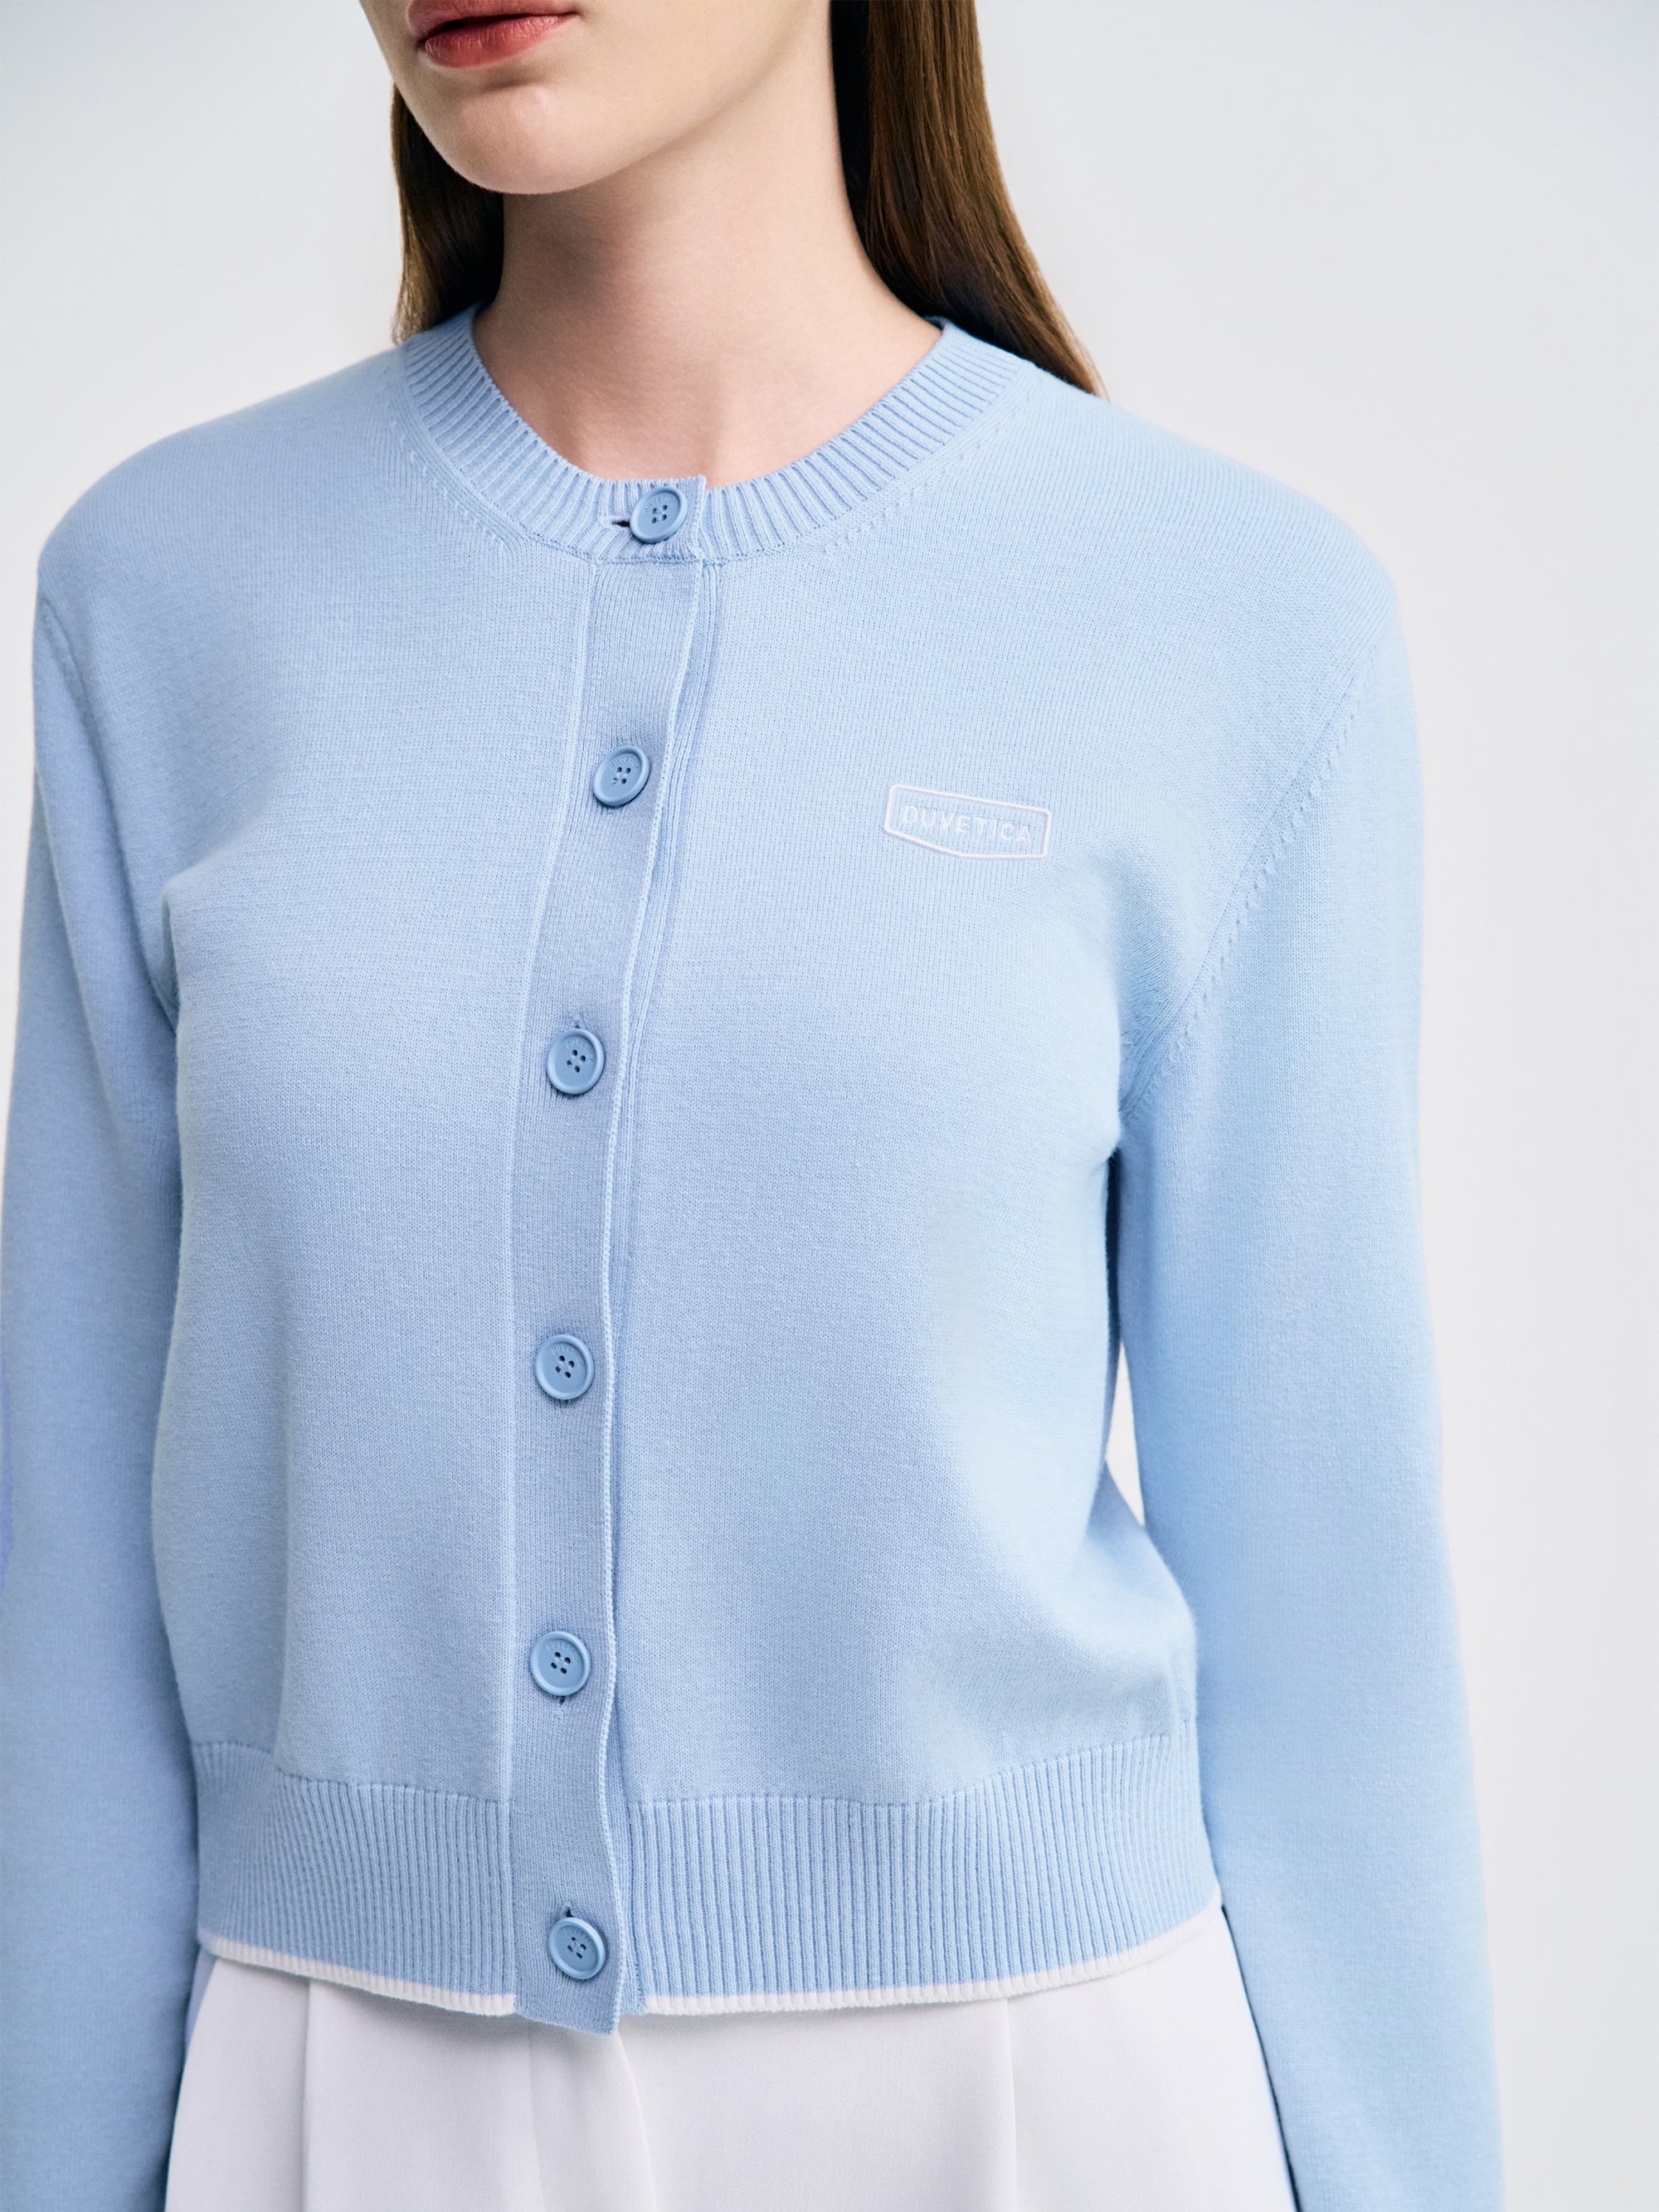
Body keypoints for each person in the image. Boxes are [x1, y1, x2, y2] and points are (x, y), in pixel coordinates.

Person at [0, 2, 1504, 2206]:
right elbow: (64, 1568)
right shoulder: (164, 596)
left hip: (1037, 2103)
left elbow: (1325, 1598)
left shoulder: (1236, 622)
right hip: (337, 2092)